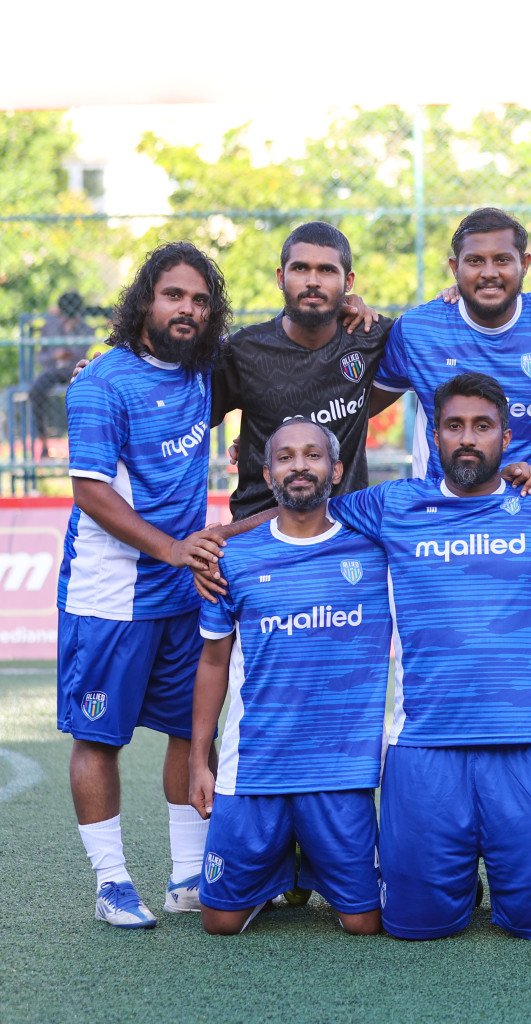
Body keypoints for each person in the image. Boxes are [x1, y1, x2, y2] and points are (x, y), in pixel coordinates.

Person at [322, 372, 531, 940]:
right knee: (414, 926)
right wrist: (224, 535)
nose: (467, 438)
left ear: (507, 438)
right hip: (424, 747)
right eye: (454, 425)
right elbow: (301, 515)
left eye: (482, 427)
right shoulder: (393, 503)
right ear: (433, 436)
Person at [58, 241, 231, 928]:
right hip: (111, 597)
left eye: (199, 300)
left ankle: (187, 876)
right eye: (174, 296)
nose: (187, 309)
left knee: (192, 732)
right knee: (99, 738)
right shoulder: (101, 382)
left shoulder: (203, 372)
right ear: (145, 302)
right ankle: (111, 882)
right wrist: (172, 549)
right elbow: (91, 493)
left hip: (181, 594)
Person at [187, 420, 393, 935]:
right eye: (285, 457)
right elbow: (213, 662)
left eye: (313, 456)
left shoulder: (377, 550)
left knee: (364, 924)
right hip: (256, 763)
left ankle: (305, 858)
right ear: (267, 472)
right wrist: (198, 758)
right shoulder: (232, 558)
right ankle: (282, 868)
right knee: (220, 924)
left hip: (340, 769)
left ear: (337, 469)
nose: (299, 466)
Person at [373, 207, 531, 481]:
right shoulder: (418, 331)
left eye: (502, 260)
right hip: (443, 517)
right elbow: (355, 411)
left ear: (525, 264)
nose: (489, 273)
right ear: (454, 267)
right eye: (474, 261)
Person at [213, 222, 393, 521]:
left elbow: (445, 331)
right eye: (300, 268)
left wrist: (453, 292)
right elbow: (184, 413)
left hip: (345, 529)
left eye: (326, 270)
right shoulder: (244, 350)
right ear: (281, 277)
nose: (313, 281)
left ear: (348, 281)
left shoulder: (370, 335)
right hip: (257, 530)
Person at [32, 290, 93, 445]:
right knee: (36, 390)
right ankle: (43, 441)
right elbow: (41, 357)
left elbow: (81, 353)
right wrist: (55, 356)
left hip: (74, 370)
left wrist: (69, 349)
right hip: (53, 371)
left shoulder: (85, 328)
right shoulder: (50, 327)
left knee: (87, 391)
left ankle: (84, 438)